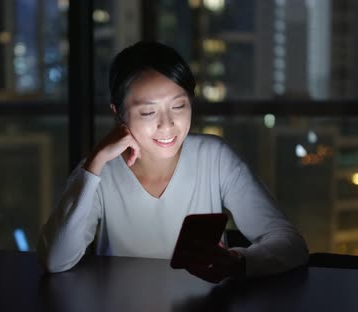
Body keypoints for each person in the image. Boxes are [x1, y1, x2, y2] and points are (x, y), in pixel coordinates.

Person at [37, 41, 309, 282]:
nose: (167, 124)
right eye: (147, 112)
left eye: (179, 106)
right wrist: (94, 162)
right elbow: (56, 260)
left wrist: (238, 262)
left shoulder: (213, 157)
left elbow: (290, 243)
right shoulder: (100, 170)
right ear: (118, 114)